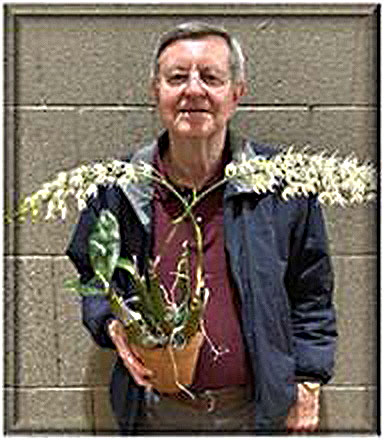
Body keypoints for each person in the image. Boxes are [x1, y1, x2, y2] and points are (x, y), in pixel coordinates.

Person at [66, 22, 337, 434]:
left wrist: (309, 382)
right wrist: (110, 322)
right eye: (177, 78)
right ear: (155, 90)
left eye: (211, 77)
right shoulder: (120, 188)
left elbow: (311, 291)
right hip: (155, 411)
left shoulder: (283, 187)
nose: (194, 90)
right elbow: (92, 275)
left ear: (236, 93)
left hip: (258, 410)